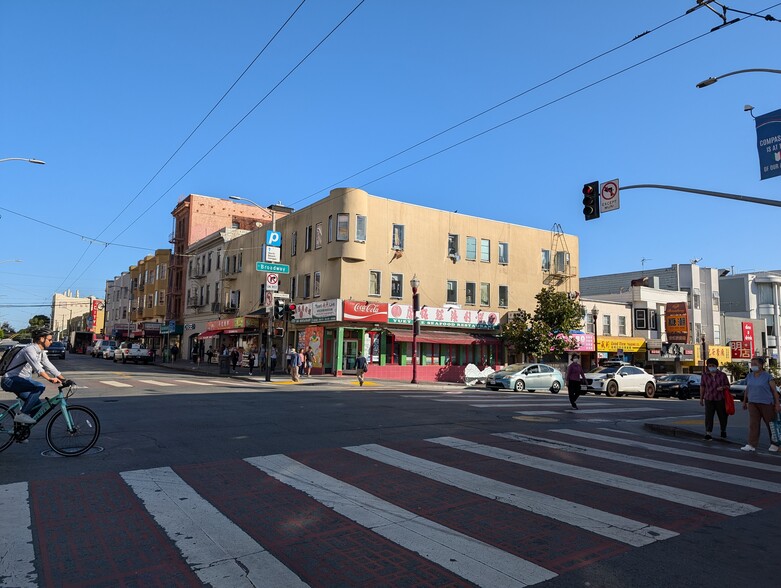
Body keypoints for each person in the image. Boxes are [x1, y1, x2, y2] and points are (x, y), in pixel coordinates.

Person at [0, 328, 66, 424]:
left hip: (21, 381)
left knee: (37, 405)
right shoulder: (29, 350)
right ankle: (22, 415)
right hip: (10, 380)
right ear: (41, 339)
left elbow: (50, 367)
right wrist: (49, 378)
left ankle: (19, 431)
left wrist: (64, 380)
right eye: (50, 340)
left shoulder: (41, 352)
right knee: (39, 386)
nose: (51, 342)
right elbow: (38, 368)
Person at [740, 356, 781, 452]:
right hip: (753, 403)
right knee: (753, 424)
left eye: (755, 364)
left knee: (771, 424)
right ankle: (751, 444)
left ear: (761, 365)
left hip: (766, 403)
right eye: (752, 364)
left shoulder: (767, 376)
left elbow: (774, 391)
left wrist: (777, 404)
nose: (753, 366)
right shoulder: (749, 376)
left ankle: (775, 444)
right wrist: (744, 401)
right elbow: (747, 389)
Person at [699, 357, 730, 440]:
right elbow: (702, 386)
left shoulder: (722, 375)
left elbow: (728, 385)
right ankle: (708, 432)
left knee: (723, 416)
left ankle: (723, 430)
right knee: (709, 416)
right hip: (709, 398)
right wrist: (701, 398)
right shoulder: (705, 375)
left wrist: (723, 387)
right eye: (709, 365)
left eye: (713, 365)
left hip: (720, 398)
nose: (711, 367)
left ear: (716, 366)